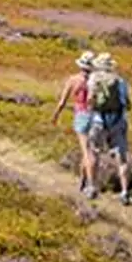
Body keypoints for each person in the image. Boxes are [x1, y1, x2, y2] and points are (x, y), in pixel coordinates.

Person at [86, 52, 132, 204]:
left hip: (98, 120)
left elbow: (90, 100)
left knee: (94, 153)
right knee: (122, 157)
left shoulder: (94, 79)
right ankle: (125, 192)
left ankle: (92, 187)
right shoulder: (120, 81)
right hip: (117, 120)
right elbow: (128, 104)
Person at [51, 50, 96, 194]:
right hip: (95, 116)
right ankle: (83, 181)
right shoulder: (95, 81)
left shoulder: (73, 80)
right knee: (89, 150)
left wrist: (55, 115)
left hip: (81, 116)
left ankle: (91, 184)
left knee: (86, 152)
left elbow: (62, 102)